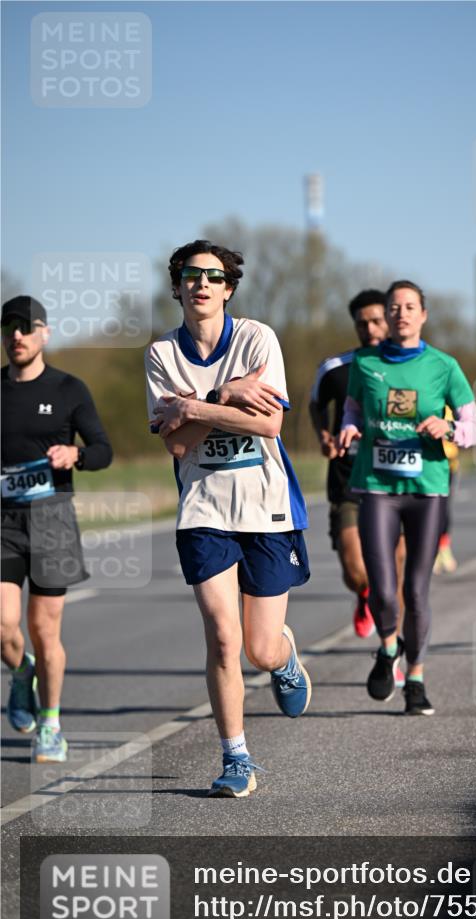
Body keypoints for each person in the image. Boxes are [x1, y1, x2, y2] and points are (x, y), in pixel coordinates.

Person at [145, 239, 311, 798]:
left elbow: (268, 425)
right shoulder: (161, 354)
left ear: (228, 288)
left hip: (266, 506)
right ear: (177, 287)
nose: (202, 284)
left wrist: (194, 406)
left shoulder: (257, 338)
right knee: (222, 636)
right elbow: (176, 446)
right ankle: (236, 757)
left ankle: (284, 659)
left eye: (213, 277)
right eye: (191, 275)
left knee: (258, 649)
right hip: (203, 510)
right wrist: (228, 396)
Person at [338, 280, 476, 715]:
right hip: (377, 486)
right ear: (386, 315)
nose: (401, 313)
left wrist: (449, 428)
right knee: (382, 589)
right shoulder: (365, 363)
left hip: (427, 489)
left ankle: (415, 679)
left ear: (423, 315)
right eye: (394, 307)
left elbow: (474, 428)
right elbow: (352, 409)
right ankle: (388, 648)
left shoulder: (444, 366)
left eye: (410, 307)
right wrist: (349, 428)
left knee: (416, 591)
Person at [1, 295, 113, 763]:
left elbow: (103, 449)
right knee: (4, 625)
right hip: (3, 520)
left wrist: (76, 455)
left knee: (45, 630)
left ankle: (50, 725)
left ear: (44, 333)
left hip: (52, 520)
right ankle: (21, 671)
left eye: (26, 327)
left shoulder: (69, 389)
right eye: (9, 327)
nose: (17, 335)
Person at [309, 289, 406, 639]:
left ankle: (392, 648)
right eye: (363, 323)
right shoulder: (336, 368)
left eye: (377, 321)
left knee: (395, 570)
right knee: (355, 571)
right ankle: (365, 593)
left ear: (390, 320)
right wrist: (323, 435)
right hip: (348, 480)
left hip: (395, 480)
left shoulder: (408, 366)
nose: (371, 329)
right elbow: (316, 404)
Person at [432, 405, 459, 575]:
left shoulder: (450, 400)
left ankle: (444, 547)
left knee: (443, 508)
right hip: (426, 463)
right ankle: (432, 551)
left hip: (447, 464)